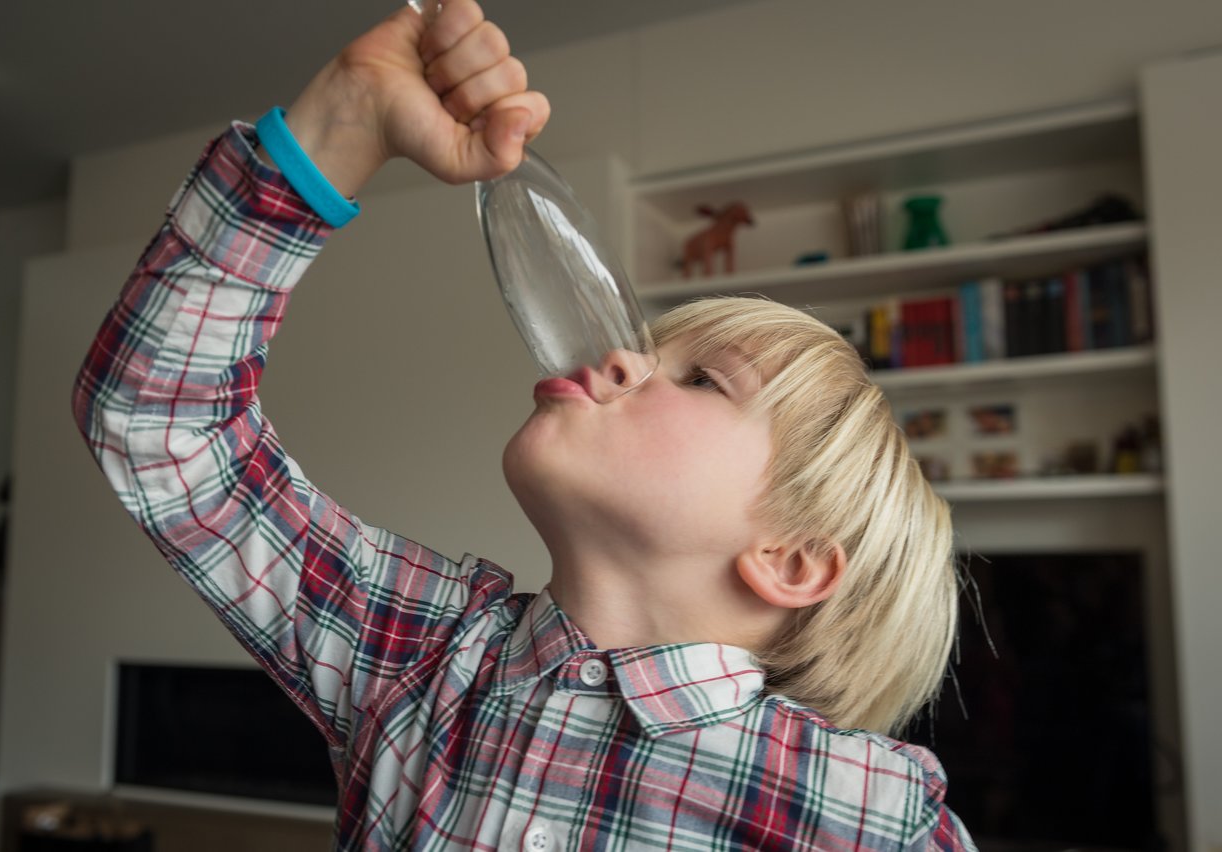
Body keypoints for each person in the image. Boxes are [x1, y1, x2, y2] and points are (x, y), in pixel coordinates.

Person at [72, 1, 974, 848]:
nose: (618, 358)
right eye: (648, 348)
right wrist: (344, 119)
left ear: (789, 560)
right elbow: (160, 421)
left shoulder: (866, 808)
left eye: (701, 379)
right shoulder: (419, 652)